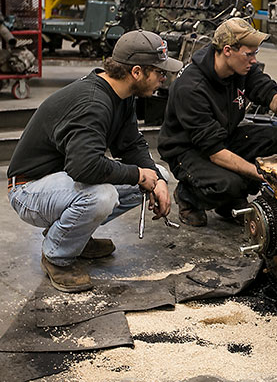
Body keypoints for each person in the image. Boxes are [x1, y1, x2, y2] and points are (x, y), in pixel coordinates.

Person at [7, 29, 183, 293]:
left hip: (60, 183)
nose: (163, 78)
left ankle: (74, 236)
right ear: (136, 72)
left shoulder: (121, 96)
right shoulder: (93, 102)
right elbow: (84, 167)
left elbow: (132, 144)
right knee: (102, 195)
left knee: (158, 173)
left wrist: (152, 177)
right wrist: (137, 175)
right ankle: (57, 257)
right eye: (158, 72)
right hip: (28, 190)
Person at [158, 17, 277, 227]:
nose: (253, 60)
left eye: (255, 54)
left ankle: (228, 202)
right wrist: (261, 174)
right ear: (227, 50)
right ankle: (189, 195)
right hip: (188, 150)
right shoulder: (191, 88)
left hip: (222, 135)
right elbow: (214, 151)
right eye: (249, 54)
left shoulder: (240, 68)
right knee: (230, 183)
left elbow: (259, 83)